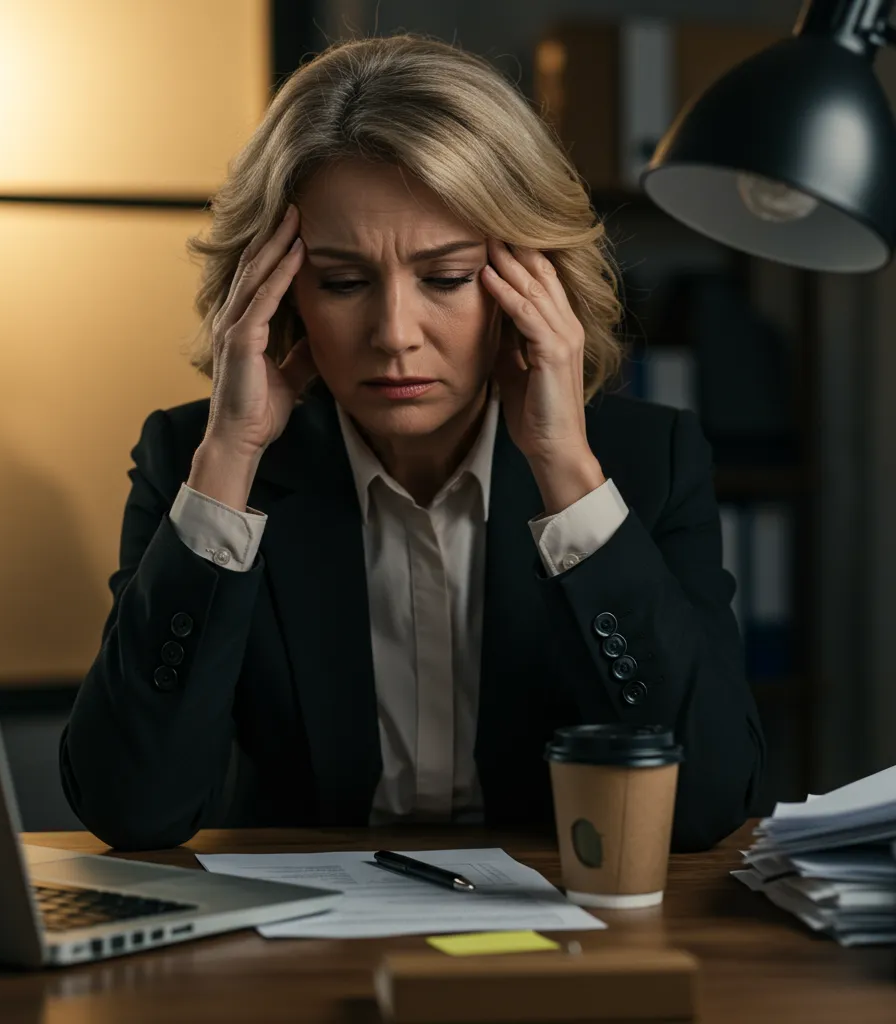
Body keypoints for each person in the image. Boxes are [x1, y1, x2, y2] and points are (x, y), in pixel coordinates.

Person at [60, 33, 765, 853]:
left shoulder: (648, 464)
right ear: (279, 295)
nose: (394, 335)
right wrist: (230, 462)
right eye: (344, 281)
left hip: (566, 931)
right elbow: (129, 808)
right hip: (294, 945)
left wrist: (567, 477)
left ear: (530, 285)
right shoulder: (199, 463)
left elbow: (709, 801)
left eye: (447, 278)